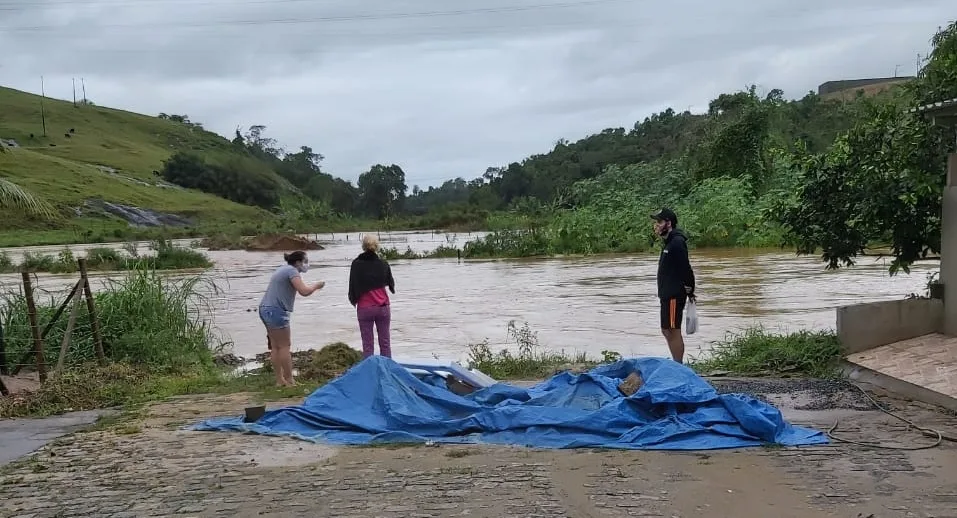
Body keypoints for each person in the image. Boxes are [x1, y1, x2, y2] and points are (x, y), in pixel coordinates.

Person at [258, 251, 325, 387]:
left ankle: (280, 380)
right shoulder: (292, 271)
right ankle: (289, 380)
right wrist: (317, 286)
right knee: (284, 346)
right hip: (277, 311)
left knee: (276, 347)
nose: (307, 265)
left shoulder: (282, 269)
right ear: (298, 262)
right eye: (305, 261)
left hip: (265, 309)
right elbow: (304, 291)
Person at [651, 208, 696, 364]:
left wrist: (690, 290)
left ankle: (678, 366)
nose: (656, 225)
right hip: (666, 294)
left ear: (669, 223)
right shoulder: (668, 242)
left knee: (672, 330)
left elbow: (686, 268)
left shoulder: (677, 242)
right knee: (666, 330)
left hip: (673, 295)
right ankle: (677, 364)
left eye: (659, 222)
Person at [348, 234, 395, 359]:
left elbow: (353, 284)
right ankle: (387, 371)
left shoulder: (356, 264)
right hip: (383, 307)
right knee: (385, 343)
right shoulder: (383, 264)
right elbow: (389, 281)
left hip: (365, 308)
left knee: (367, 345)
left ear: (363, 246)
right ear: (377, 246)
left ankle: (369, 372)